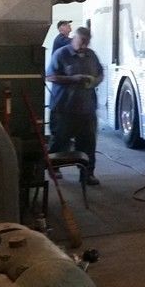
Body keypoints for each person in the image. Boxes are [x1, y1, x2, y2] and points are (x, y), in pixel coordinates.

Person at [46, 27, 104, 185]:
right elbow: (50, 76)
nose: (84, 46)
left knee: (88, 143)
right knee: (60, 140)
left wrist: (95, 81)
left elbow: (100, 73)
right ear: (74, 39)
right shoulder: (61, 54)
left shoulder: (91, 55)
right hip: (64, 108)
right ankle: (54, 168)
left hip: (87, 109)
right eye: (81, 42)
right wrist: (73, 79)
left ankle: (87, 174)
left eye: (87, 42)